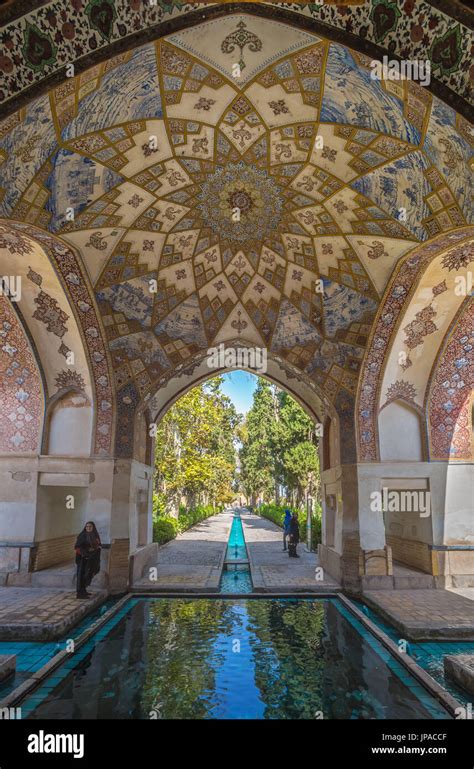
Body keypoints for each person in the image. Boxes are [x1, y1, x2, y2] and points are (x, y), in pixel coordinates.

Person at [74, 521, 101, 599]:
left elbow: (98, 545)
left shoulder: (95, 535)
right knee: (82, 575)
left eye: (90, 527)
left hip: (91, 559)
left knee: (88, 574)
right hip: (83, 559)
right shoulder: (82, 536)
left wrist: (97, 548)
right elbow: (77, 547)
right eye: (87, 527)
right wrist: (85, 554)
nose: (88, 528)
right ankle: (80, 593)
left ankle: (84, 591)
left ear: (93, 528)